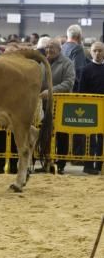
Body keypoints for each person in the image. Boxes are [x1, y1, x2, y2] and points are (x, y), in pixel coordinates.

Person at [39, 39, 75, 174]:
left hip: (62, 106)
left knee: (61, 135)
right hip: (44, 105)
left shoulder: (67, 63)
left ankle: (60, 165)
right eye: (47, 47)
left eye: (52, 47)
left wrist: (51, 91)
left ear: (59, 49)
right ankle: (45, 163)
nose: (49, 50)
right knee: (44, 134)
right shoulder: (42, 63)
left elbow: (69, 83)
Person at [78, 41, 104, 174]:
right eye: (95, 51)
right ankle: (88, 166)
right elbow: (81, 91)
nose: (98, 53)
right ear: (90, 52)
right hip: (90, 109)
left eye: (100, 50)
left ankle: (99, 165)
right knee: (89, 138)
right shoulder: (86, 70)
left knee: (101, 139)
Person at [62, 24, 87, 90]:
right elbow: (79, 70)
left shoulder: (62, 47)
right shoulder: (78, 49)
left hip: (62, 84)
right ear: (79, 36)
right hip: (73, 87)